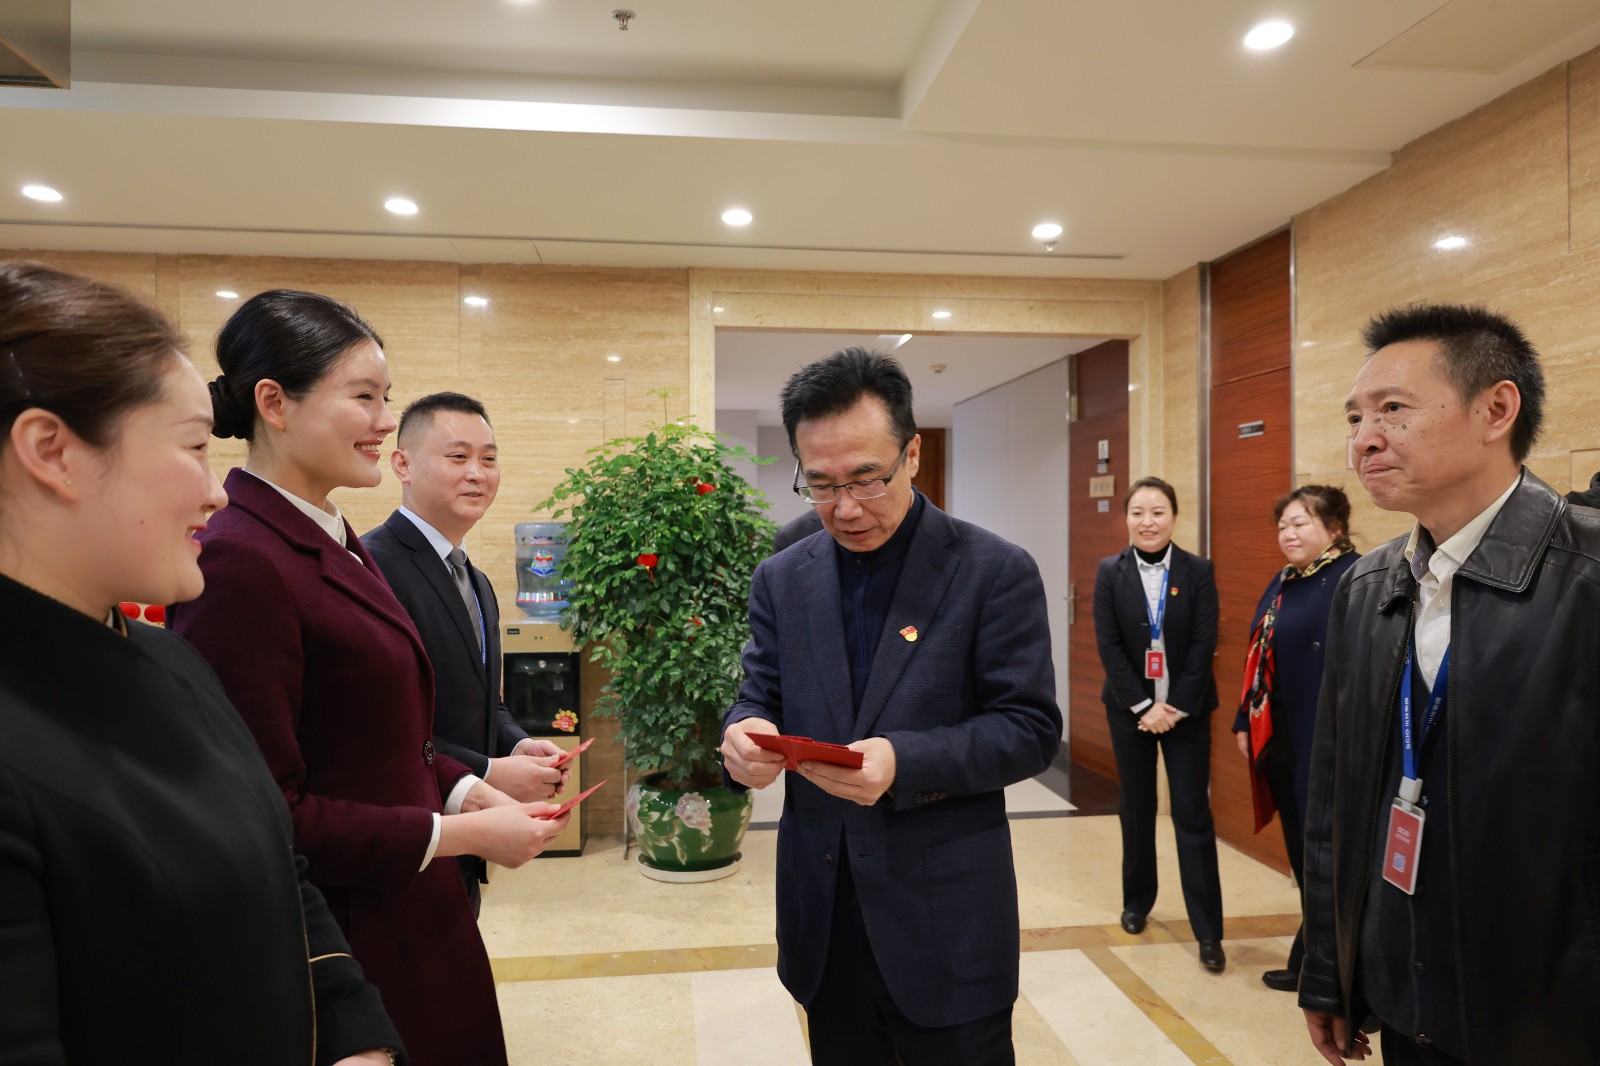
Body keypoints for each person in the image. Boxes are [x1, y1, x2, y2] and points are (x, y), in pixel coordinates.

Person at [0, 260, 404, 1063]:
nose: (217, 494)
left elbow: (279, 866)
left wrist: (354, 1034)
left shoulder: (171, 662)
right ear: (52, 451)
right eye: (191, 448)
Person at [168, 290, 570, 1066]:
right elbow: (262, 812)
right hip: (352, 935)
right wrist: (457, 833)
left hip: (413, 910)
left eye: (386, 398)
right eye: (364, 398)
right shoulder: (241, 557)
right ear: (274, 403)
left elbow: (383, 737)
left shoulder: (333, 534)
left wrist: (465, 788)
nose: (386, 421)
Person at [719, 347, 1061, 1066]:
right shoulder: (783, 574)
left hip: (945, 921)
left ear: (912, 455)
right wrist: (742, 732)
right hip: (823, 916)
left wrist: (904, 761)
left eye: (866, 479)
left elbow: (1029, 730)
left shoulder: (992, 570)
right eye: (820, 485)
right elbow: (758, 693)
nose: (845, 508)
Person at [1300, 304, 1600, 1066]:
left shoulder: (1587, 579)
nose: (1364, 440)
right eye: (1356, 418)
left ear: (1496, 410)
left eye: (1393, 410)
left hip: (1553, 1022)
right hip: (1407, 1003)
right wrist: (1330, 970)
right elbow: (1334, 801)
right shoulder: (1366, 588)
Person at [363, 391, 570, 915]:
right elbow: (379, 723)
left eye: (489, 458)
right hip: (408, 838)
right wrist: (488, 771)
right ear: (402, 464)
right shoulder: (370, 567)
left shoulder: (476, 580)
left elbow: (484, 699)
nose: (477, 473)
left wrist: (517, 744)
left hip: (466, 845)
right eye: (458, 457)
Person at [1092, 477, 1225, 973]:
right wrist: (1143, 706)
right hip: (1130, 712)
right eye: (1138, 512)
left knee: (1193, 814)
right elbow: (1108, 644)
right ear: (1126, 518)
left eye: (1158, 512)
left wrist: (1175, 706)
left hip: (1187, 712)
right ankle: (1137, 901)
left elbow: (1204, 642)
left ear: (1174, 517)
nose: (1147, 522)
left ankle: (1208, 930)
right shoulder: (1110, 571)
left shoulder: (1198, 570)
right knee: (1137, 807)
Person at [1231, 485, 1360, 993]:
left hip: (1327, 739)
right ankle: (1312, 955)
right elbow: (1258, 656)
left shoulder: (1353, 577)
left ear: (1335, 528)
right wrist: (1245, 720)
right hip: (1282, 738)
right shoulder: (1286, 579)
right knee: (1302, 849)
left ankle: (1324, 963)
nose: (1288, 533)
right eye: (1283, 525)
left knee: (1324, 851)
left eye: (1300, 523)